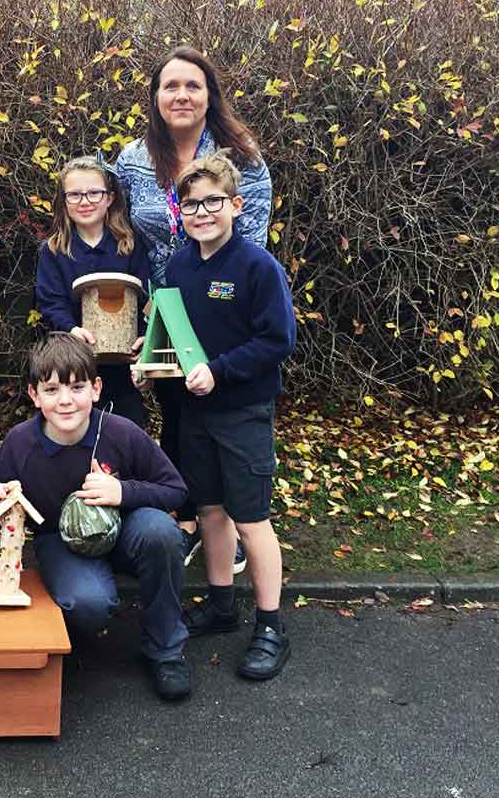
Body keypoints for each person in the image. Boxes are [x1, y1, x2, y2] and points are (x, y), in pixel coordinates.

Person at [116, 45, 272, 573]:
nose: (181, 95)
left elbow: (251, 239)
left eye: (193, 86)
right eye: (170, 86)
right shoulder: (133, 159)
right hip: (163, 310)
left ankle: (235, 522)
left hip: (223, 312)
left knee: (227, 416)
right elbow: (123, 235)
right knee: (179, 418)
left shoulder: (242, 158)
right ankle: (191, 522)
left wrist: (221, 309)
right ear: (155, 97)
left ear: (210, 96)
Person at [0, 334, 191, 700]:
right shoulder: (20, 443)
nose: (65, 401)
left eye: (77, 387)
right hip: (60, 542)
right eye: (52, 389)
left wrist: (122, 492)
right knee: (88, 603)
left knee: (162, 532)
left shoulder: (120, 432)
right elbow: (1, 501)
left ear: (96, 388)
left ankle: (165, 649)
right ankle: (73, 631)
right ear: (34, 395)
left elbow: (176, 490)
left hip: (124, 530)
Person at [154, 151, 296, 680]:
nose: (202, 213)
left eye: (213, 202)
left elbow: (277, 339)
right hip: (194, 413)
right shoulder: (180, 264)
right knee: (210, 511)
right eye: (191, 205)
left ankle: (270, 625)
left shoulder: (257, 266)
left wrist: (220, 371)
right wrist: (157, 365)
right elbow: (173, 333)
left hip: (243, 412)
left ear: (236, 205)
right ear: (180, 212)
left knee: (251, 519)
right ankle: (220, 605)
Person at [34, 155, 150, 426]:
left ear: (109, 198)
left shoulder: (130, 244)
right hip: (72, 364)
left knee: (126, 429)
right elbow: (50, 301)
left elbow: (146, 296)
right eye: (74, 195)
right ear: (63, 202)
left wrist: (144, 339)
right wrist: (71, 329)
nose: (85, 202)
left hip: (123, 364)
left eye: (94, 193)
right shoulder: (54, 251)